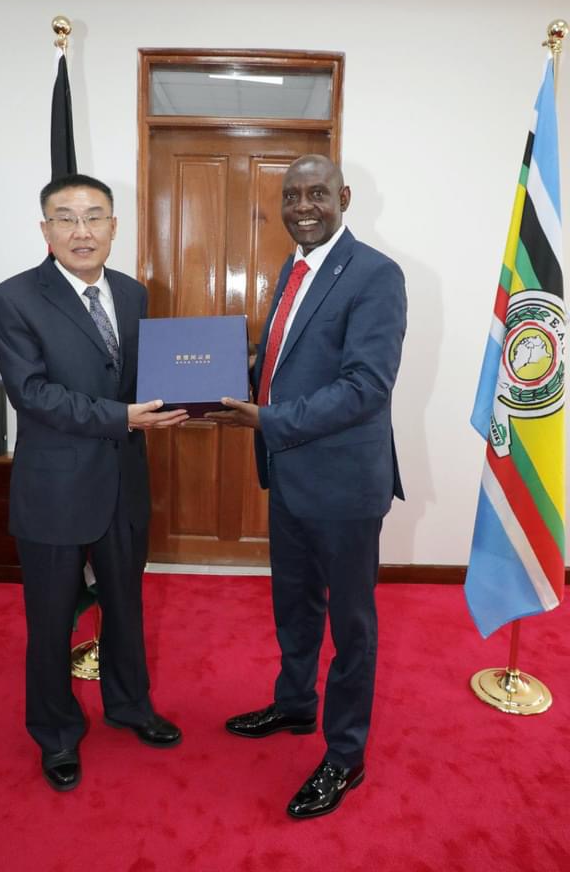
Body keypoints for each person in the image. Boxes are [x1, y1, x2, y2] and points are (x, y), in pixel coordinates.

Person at [207, 154, 406, 819]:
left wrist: (268, 418)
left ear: (343, 196)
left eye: (316, 193)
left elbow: (364, 387)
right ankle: (294, 705)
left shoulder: (376, 275)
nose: (302, 205)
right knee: (293, 605)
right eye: (292, 195)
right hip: (289, 477)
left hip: (344, 486)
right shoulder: (290, 272)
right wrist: (228, 369)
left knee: (352, 628)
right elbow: (287, 363)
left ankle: (345, 757)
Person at [0, 174, 188, 792]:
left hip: (123, 483)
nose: (82, 230)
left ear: (114, 226)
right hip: (54, 490)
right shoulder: (12, 298)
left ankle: (130, 707)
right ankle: (56, 733)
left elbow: (144, 377)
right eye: (66, 218)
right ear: (45, 229)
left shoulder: (133, 293)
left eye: (95, 217)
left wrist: (190, 395)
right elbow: (34, 394)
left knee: (126, 607)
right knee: (51, 620)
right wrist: (124, 416)